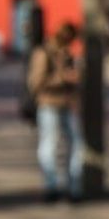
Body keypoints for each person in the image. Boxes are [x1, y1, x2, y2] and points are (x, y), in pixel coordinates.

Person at [27, 22, 84, 202]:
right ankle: (50, 186)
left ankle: (73, 186)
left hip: (68, 104)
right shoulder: (43, 53)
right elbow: (36, 82)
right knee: (49, 144)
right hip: (48, 104)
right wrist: (63, 77)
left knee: (76, 144)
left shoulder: (67, 53)